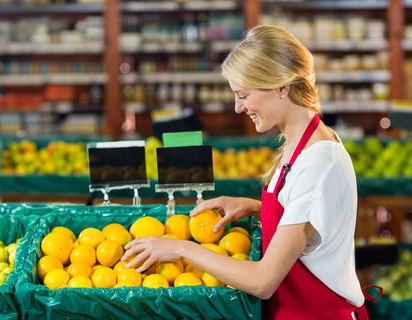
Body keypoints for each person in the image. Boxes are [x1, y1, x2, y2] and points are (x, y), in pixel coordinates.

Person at [122, 25, 373, 319]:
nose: (239, 108)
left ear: (281, 86)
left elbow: (262, 281)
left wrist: (180, 249)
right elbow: (310, 223)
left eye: (243, 95)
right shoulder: (303, 140)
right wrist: (256, 208)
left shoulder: (319, 161)